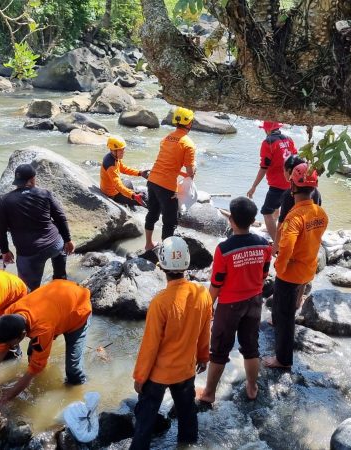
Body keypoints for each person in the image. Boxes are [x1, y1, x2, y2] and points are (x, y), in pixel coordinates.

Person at [131, 237, 212, 450]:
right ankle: (187, 445)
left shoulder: (160, 302)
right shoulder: (202, 294)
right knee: (187, 416)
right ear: (187, 263)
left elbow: (150, 345)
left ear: (162, 266)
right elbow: (205, 330)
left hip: (158, 374)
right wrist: (203, 357)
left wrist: (140, 377)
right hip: (185, 370)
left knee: (144, 424)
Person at [0, 279, 92, 408]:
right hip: (58, 301)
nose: (9, 347)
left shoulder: (42, 330)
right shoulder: (9, 314)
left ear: (23, 334)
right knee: (33, 354)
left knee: (73, 370)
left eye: (11, 344)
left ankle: (80, 396)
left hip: (78, 311)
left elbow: (32, 371)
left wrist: (5, 398)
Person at [197, 197, 271, 403]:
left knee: (219, 350)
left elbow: (216, 283)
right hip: (255, 301)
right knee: (251, 347)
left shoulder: (224, 249)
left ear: (231, 221)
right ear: (252, 220)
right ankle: (252, 387)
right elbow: (264, 274)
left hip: (229, 306)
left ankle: (209, 393)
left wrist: (208, 305)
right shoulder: (264, 245)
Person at [263, 163, 328, 369]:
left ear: (292, 186)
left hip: (291, 273)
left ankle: (283, 359)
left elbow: (287, 245)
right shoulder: (320, 213)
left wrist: (280, 267)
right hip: (308, 268)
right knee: (284, 309)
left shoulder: (294, 216)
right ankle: (277, 323)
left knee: (285, 317)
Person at [0, 163, 74, 291]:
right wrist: (68, 240)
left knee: (28, 290)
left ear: (17, 181)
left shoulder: (5, 201)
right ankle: (60, 281)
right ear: (32, 179)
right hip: (54, 245)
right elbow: (60, 217)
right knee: (60, 257)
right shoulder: (45, 194)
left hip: (29, 253)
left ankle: (33, 298)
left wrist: (5, 251)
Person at [144, 107, 196, 251]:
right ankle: (166, 252)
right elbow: (190, 172)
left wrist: (183, 174)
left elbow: (168, 164)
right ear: (189, 123)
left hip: (152, 180)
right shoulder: (188, 144)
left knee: (152, 213)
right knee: (170, 221)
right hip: (166, 186)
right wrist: (192, 172)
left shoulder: (166, 138)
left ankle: (148, 244)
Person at [246, 121, 297, 243]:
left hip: (277, 184)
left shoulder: (268, 142)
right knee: (278, 206)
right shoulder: (289, 139)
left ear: (267, 130)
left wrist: (254, 186)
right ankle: (273, 228)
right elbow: (295, 158)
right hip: (292, 182)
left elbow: (264, 166)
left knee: (266, 212)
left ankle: (277, 242)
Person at [277, 156, 323, 250]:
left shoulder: (288, 195)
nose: (283, 173)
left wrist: (276, 245)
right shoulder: (316, 193)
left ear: (290, 171)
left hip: (294, 243)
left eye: (284, 170)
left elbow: (282, 222)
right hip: (310, 242)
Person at [100, 135, 149, 208]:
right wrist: (133, 195)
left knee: (128, 182)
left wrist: (140, 173)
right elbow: (118, 185)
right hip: (113, 194)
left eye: (123, 149)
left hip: (114, 189)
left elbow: (123, 168)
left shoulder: (114, 157)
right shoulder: (110, 165)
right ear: (113, 150)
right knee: (146, 199)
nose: (123, 152)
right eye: (120, 150)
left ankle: (131, 206)